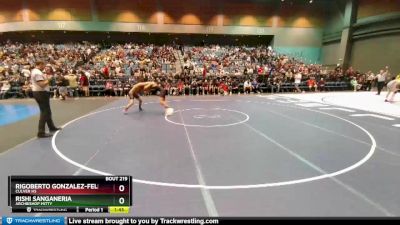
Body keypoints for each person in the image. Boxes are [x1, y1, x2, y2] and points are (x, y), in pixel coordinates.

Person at [31, 61, 61, 138]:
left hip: (40, 93)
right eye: (43, 65)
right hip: (41, 93)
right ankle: (41, 132)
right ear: (40, 64)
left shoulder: (35, 71)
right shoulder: (37, 73)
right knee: (44, 112)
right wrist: (49, 79)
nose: (44, 67)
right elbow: (42, 84)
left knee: (47, 111)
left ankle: (51, 127)